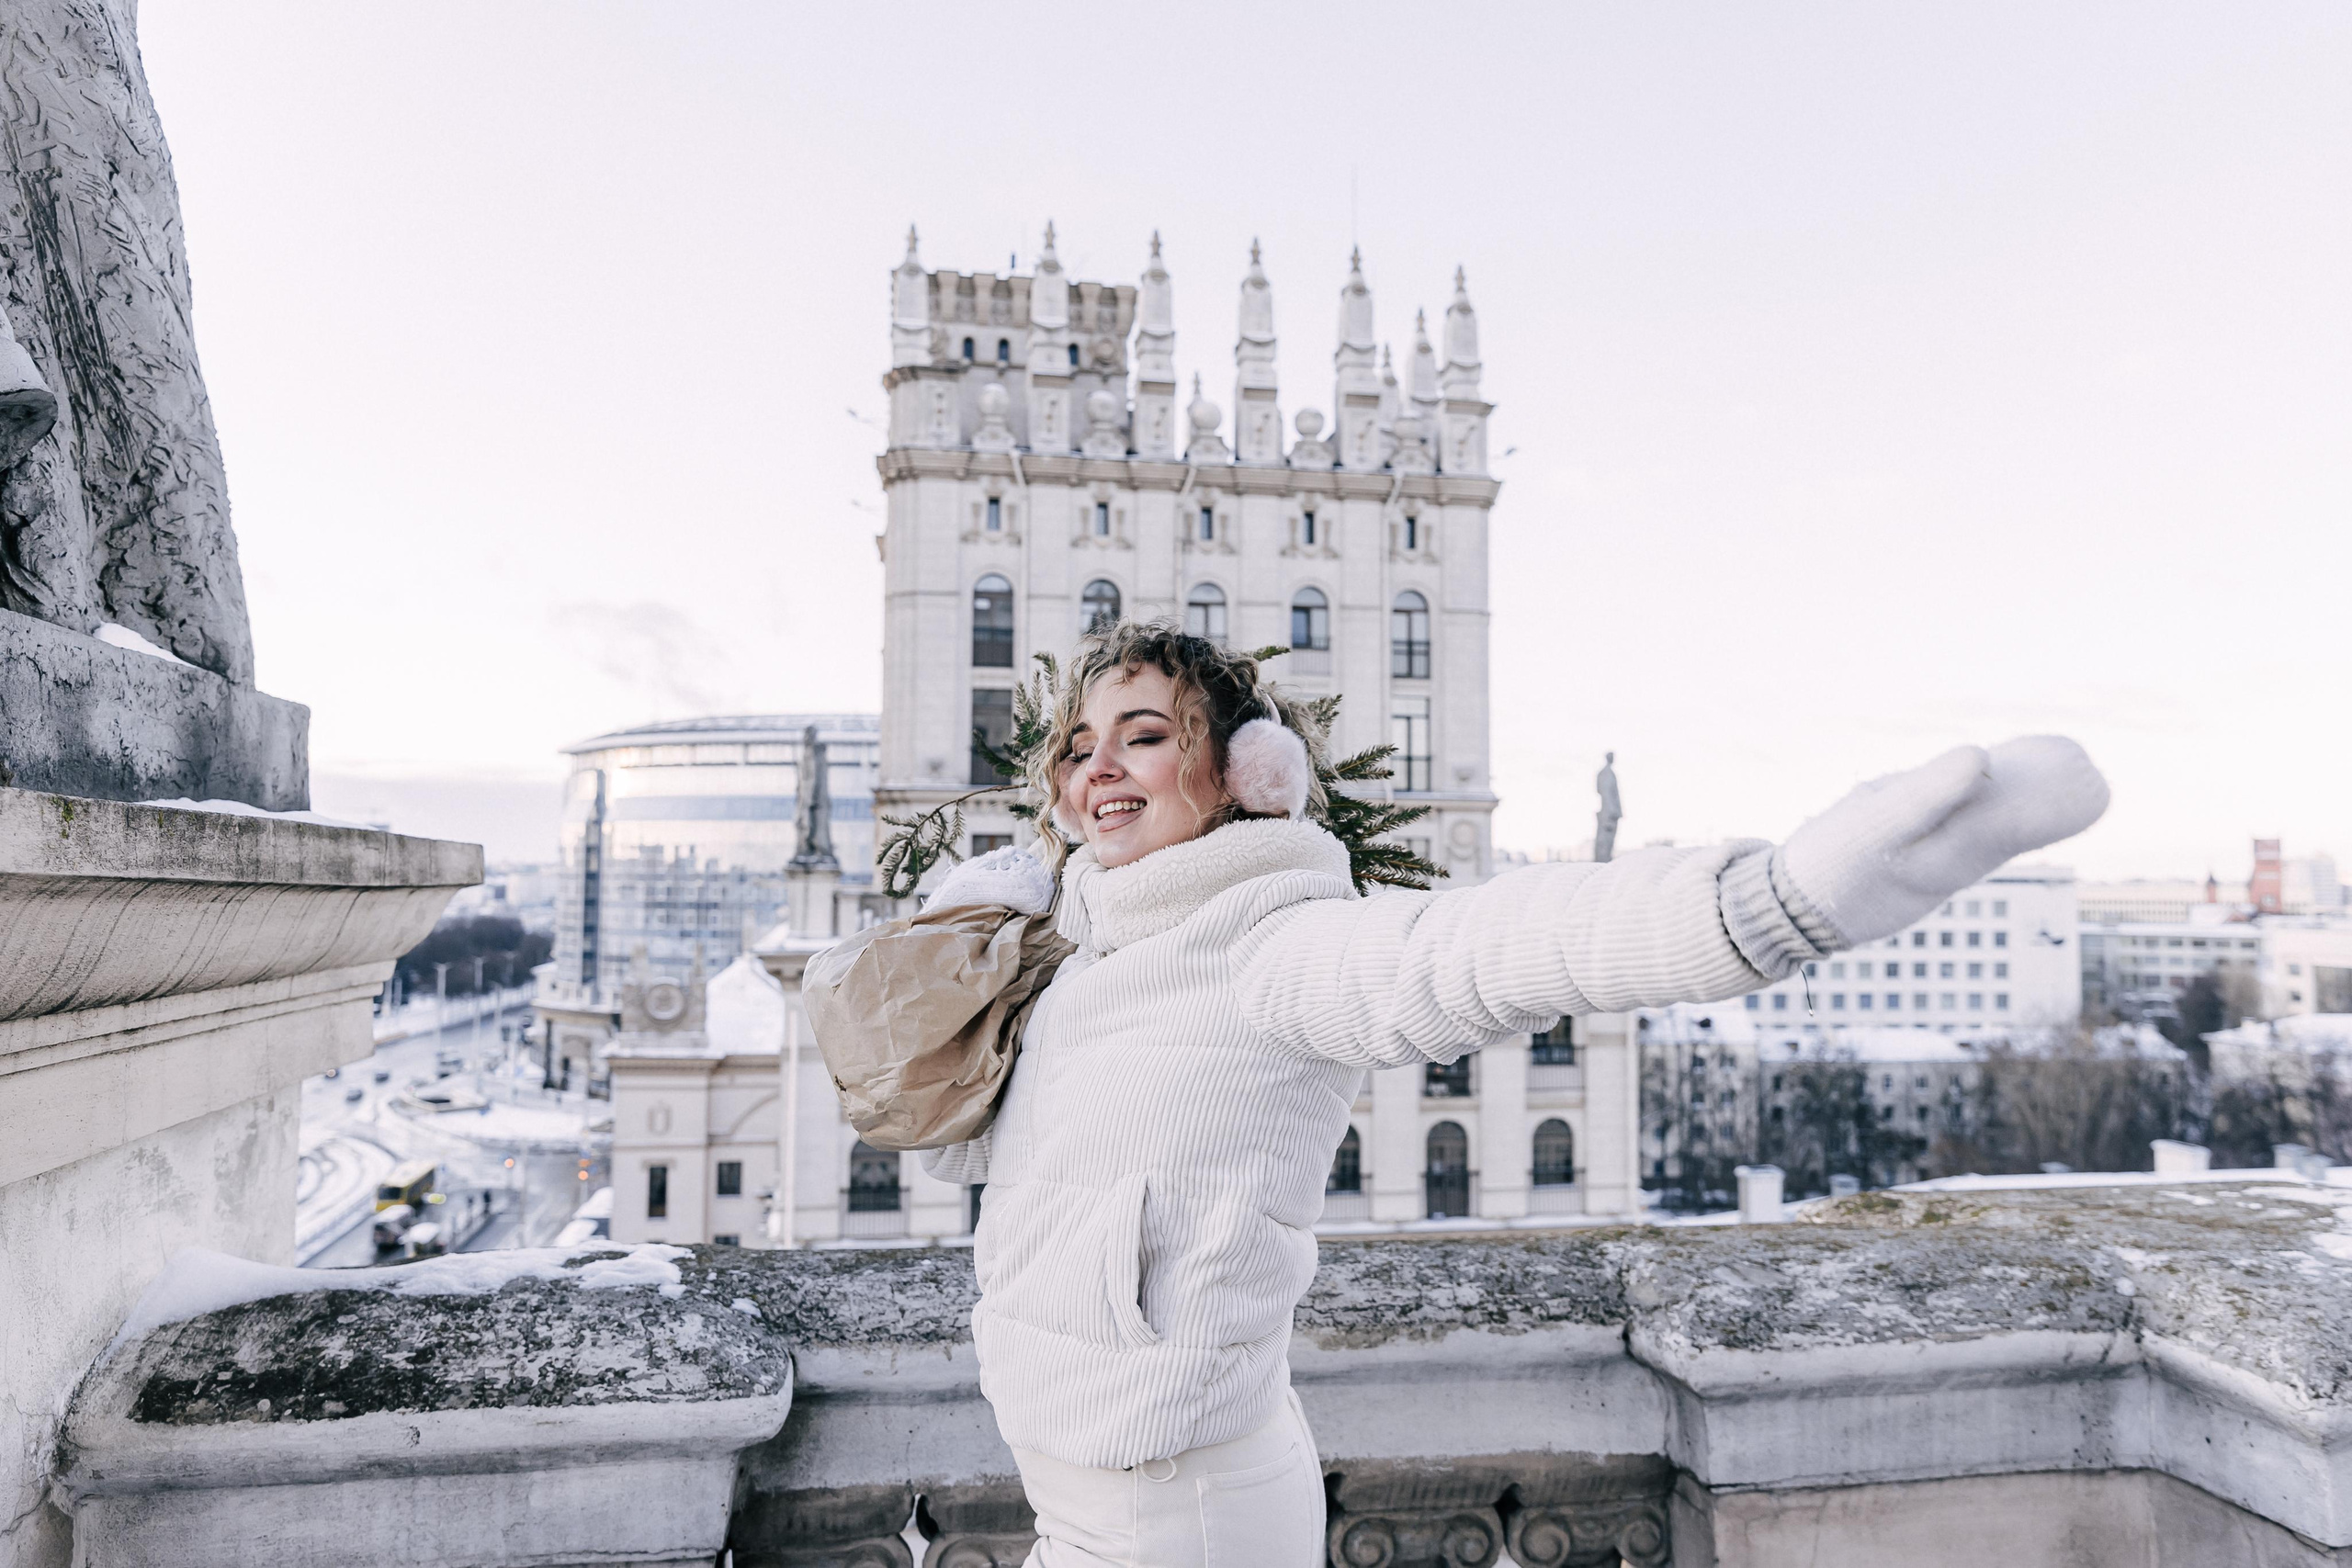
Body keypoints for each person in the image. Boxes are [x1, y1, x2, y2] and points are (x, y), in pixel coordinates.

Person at [894, 621, 2108, 1567]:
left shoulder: (1272, 947)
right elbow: (954, 1150)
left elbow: (1479, 953)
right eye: (1078, 742)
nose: (1098, 761)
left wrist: (1776, 900)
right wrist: (951, 951)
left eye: (1145, 732)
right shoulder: (1092, 960)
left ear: (1247, 774)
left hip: (1177, 1506)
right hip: (1079, 1475)